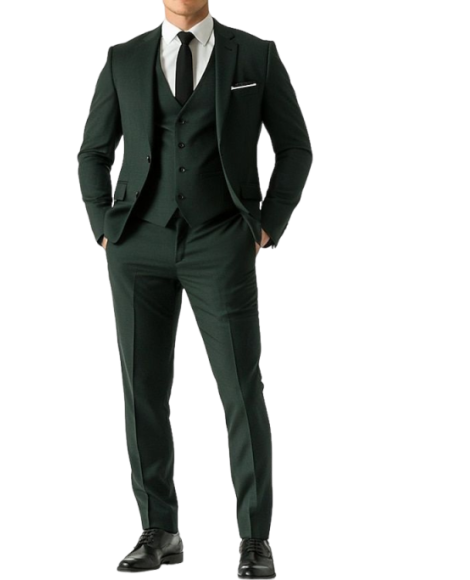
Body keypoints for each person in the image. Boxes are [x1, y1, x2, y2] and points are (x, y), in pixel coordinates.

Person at [77, 1, 313, 577]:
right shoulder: (123, 57)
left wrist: (266, 225)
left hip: (221, 239)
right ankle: (159, 530)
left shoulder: (255, 54)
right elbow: (93, 152)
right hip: (137, 241)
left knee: (240, 388)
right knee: (142, 389)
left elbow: (295, 147)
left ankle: (254, 539)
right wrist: (104, 227)